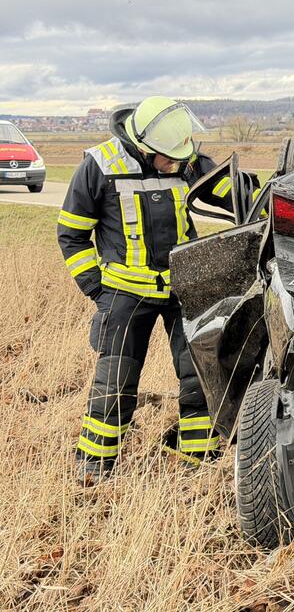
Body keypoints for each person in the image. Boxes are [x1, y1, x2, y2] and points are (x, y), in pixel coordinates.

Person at [57, 96, 225, 485]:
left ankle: (198, 461)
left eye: (182, 159)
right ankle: (94, 469)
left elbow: (230, 190)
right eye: (169, 160)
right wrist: (97, 289)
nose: (179, 166)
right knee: (114, 383)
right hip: (123, 297)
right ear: (145, 149)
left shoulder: (184, 159)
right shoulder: (98, 167)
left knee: (198, 373)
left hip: (183, 290)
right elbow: (71, 233)